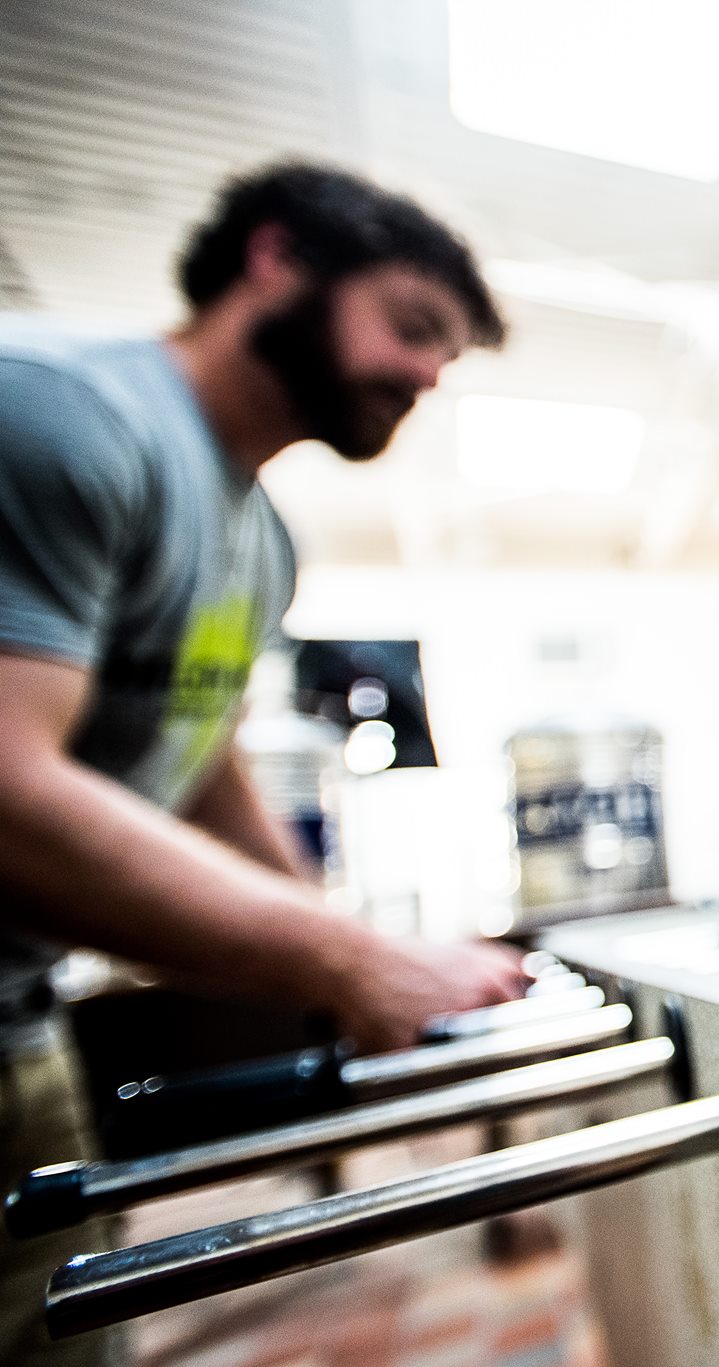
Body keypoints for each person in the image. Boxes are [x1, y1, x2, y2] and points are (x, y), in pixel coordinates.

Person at [0, 163, 530, 1364]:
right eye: (411, 325)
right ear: (276, 258)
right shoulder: (65, 418)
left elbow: (199, 765)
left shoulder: (260, 542)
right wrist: (355, 959)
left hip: (19, 1025)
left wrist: (354, 955)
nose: (428, 373)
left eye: (446, 354)